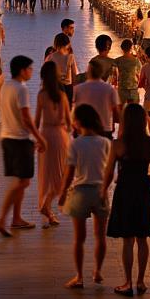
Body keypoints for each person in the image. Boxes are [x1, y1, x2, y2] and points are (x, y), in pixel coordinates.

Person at [102, 102, 150, 296]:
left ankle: (127, 282)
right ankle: (141, 281)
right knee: (143, 238)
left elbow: (108, 171)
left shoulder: (118, 144)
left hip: (125, 191)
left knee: (128, 240)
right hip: (144, 190)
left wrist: (103, 190)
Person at [58, 104, 111, 289]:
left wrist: (63, 193)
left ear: (78, 122)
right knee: (100, 236)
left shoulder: (76, 143)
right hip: (100, 191)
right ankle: (97, 271)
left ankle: (79, 276)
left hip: (80, 192)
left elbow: (69, 172)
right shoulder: (105, 142)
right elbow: (110, 169)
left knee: (79, 239)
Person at [0, 55, 47, 237]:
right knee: (22, 181)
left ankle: (16, 218)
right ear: (22, 70)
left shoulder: (6, 86)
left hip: (7, 137)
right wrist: (40, 138)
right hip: (19, 139)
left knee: (20, 179)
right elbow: (26, 117)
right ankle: (3, 219)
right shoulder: (21, 89)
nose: (32, 72)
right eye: (30, 69)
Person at [35, 60, 72, 226]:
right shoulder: (62, 96)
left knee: (47, 175)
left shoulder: (41, 95)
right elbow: (70, 122)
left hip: (45, 135)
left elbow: (36, 121)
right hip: (60, 135)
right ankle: (46, 206)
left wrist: (37, 139)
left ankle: (47, 209)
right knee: (62, 176)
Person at [73, 60, 120, 139]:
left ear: (88, 72)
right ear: (101, 73)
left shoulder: (78, 89)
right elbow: (116, 112)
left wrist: (75, 126)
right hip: (105, 128)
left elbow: (75, 110)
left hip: (84, 129)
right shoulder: (110, 89)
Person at [48, 33, 78, 105]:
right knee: (68, 108)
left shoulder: (51, 57)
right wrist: (75, 89)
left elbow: (49, 74)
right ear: (67, 44)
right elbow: (74, 74)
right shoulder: (70, 56)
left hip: (58, 86)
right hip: (67, 87)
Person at [114, 40, 142, 112]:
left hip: (122, 88)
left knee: (121, 110)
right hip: (133, 88)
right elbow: (139, 74)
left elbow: (114, 74)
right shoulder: (136, 61)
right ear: (131, 48)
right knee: (134, 110)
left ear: (122, 48)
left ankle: (122, 122)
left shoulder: (117, 60)